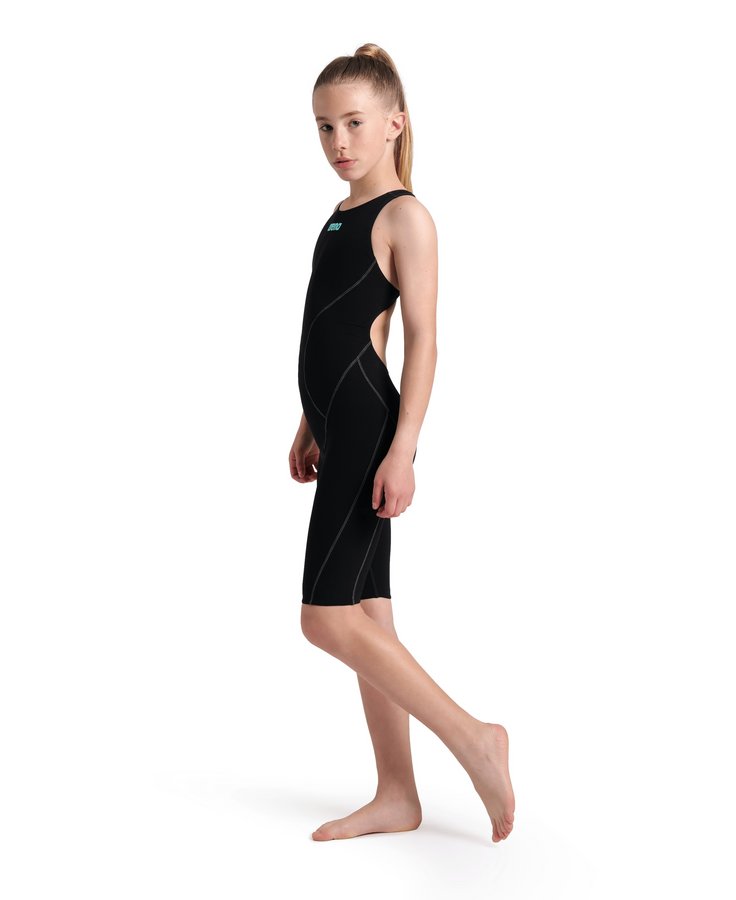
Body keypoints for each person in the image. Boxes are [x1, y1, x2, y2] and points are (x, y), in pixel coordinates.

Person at [289, 43, 515, 844]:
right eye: (325, 127)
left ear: (395, 122)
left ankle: (474, 739)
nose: (339, 141)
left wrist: (402, 449)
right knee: (368, 614)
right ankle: (396, 792)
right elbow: (345, 329)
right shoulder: (338, 215)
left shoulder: (404, 217)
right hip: (337, 424)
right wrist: (308, 421)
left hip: (370, 429)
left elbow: (421, 340)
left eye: (354, 123)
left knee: (325, 618)